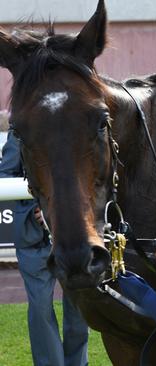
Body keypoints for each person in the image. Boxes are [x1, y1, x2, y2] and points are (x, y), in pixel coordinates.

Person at [0, 131, 89, 366]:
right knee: (40, 308)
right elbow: (7, 174)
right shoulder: (19, 131)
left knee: (79, 307)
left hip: (73, 234)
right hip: (32, 237)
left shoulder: (75, 122)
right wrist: (38, 207)